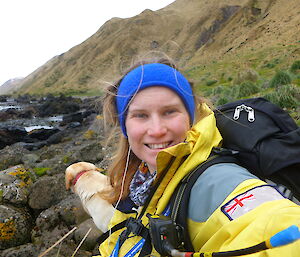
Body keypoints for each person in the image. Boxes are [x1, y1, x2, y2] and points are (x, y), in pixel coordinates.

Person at [67, 58, 300, 256]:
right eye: (140, 115)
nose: (157, 129)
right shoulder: (144, 180)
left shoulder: (217, 182)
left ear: (190, 116)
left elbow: (278, 228)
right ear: (125, 126)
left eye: (170, 112)